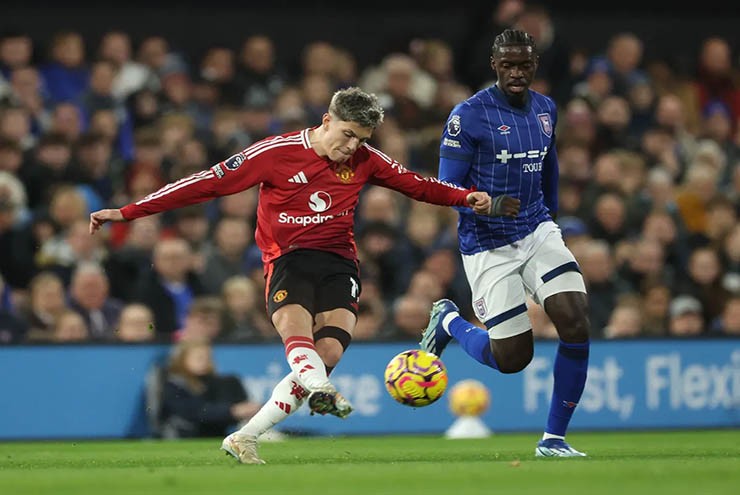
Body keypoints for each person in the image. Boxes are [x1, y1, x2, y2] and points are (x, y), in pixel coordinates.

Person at [89, 87, 492, 463]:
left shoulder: (365, 160)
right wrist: (129, 211)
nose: (352, 147)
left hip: (339, 262)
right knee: (297, 332)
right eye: (348, 135)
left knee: (328, 354)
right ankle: (320, 389)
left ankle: (246, 435)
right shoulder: (276, 153)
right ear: (326, 120)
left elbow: (415, 184)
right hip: (288, 259)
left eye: (362, 140)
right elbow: (207, 183)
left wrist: (464, 198)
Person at [420, 29, 591, 457]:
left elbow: (548, 166)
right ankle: (449, 322)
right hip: (486, 242)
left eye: (525, 64)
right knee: (513, 359)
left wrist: (549, 216)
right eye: (508, 65)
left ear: (535, 65)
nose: (517, 72)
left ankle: (554, 439)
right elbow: (445, 187)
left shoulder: (546, 109)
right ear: (495, 65)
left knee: (575, 319)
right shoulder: (469, 115)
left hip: (536, 229)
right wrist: (488, 205)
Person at [157, 339, 260, 438]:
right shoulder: (174, 385)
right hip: (182, 435)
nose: (205, 362)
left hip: (215, 435)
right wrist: (232, 411)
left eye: (208, 358)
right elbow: (194, 412)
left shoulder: (219, 383)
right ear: (182, 360)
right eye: (199, 358)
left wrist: (244, 410)